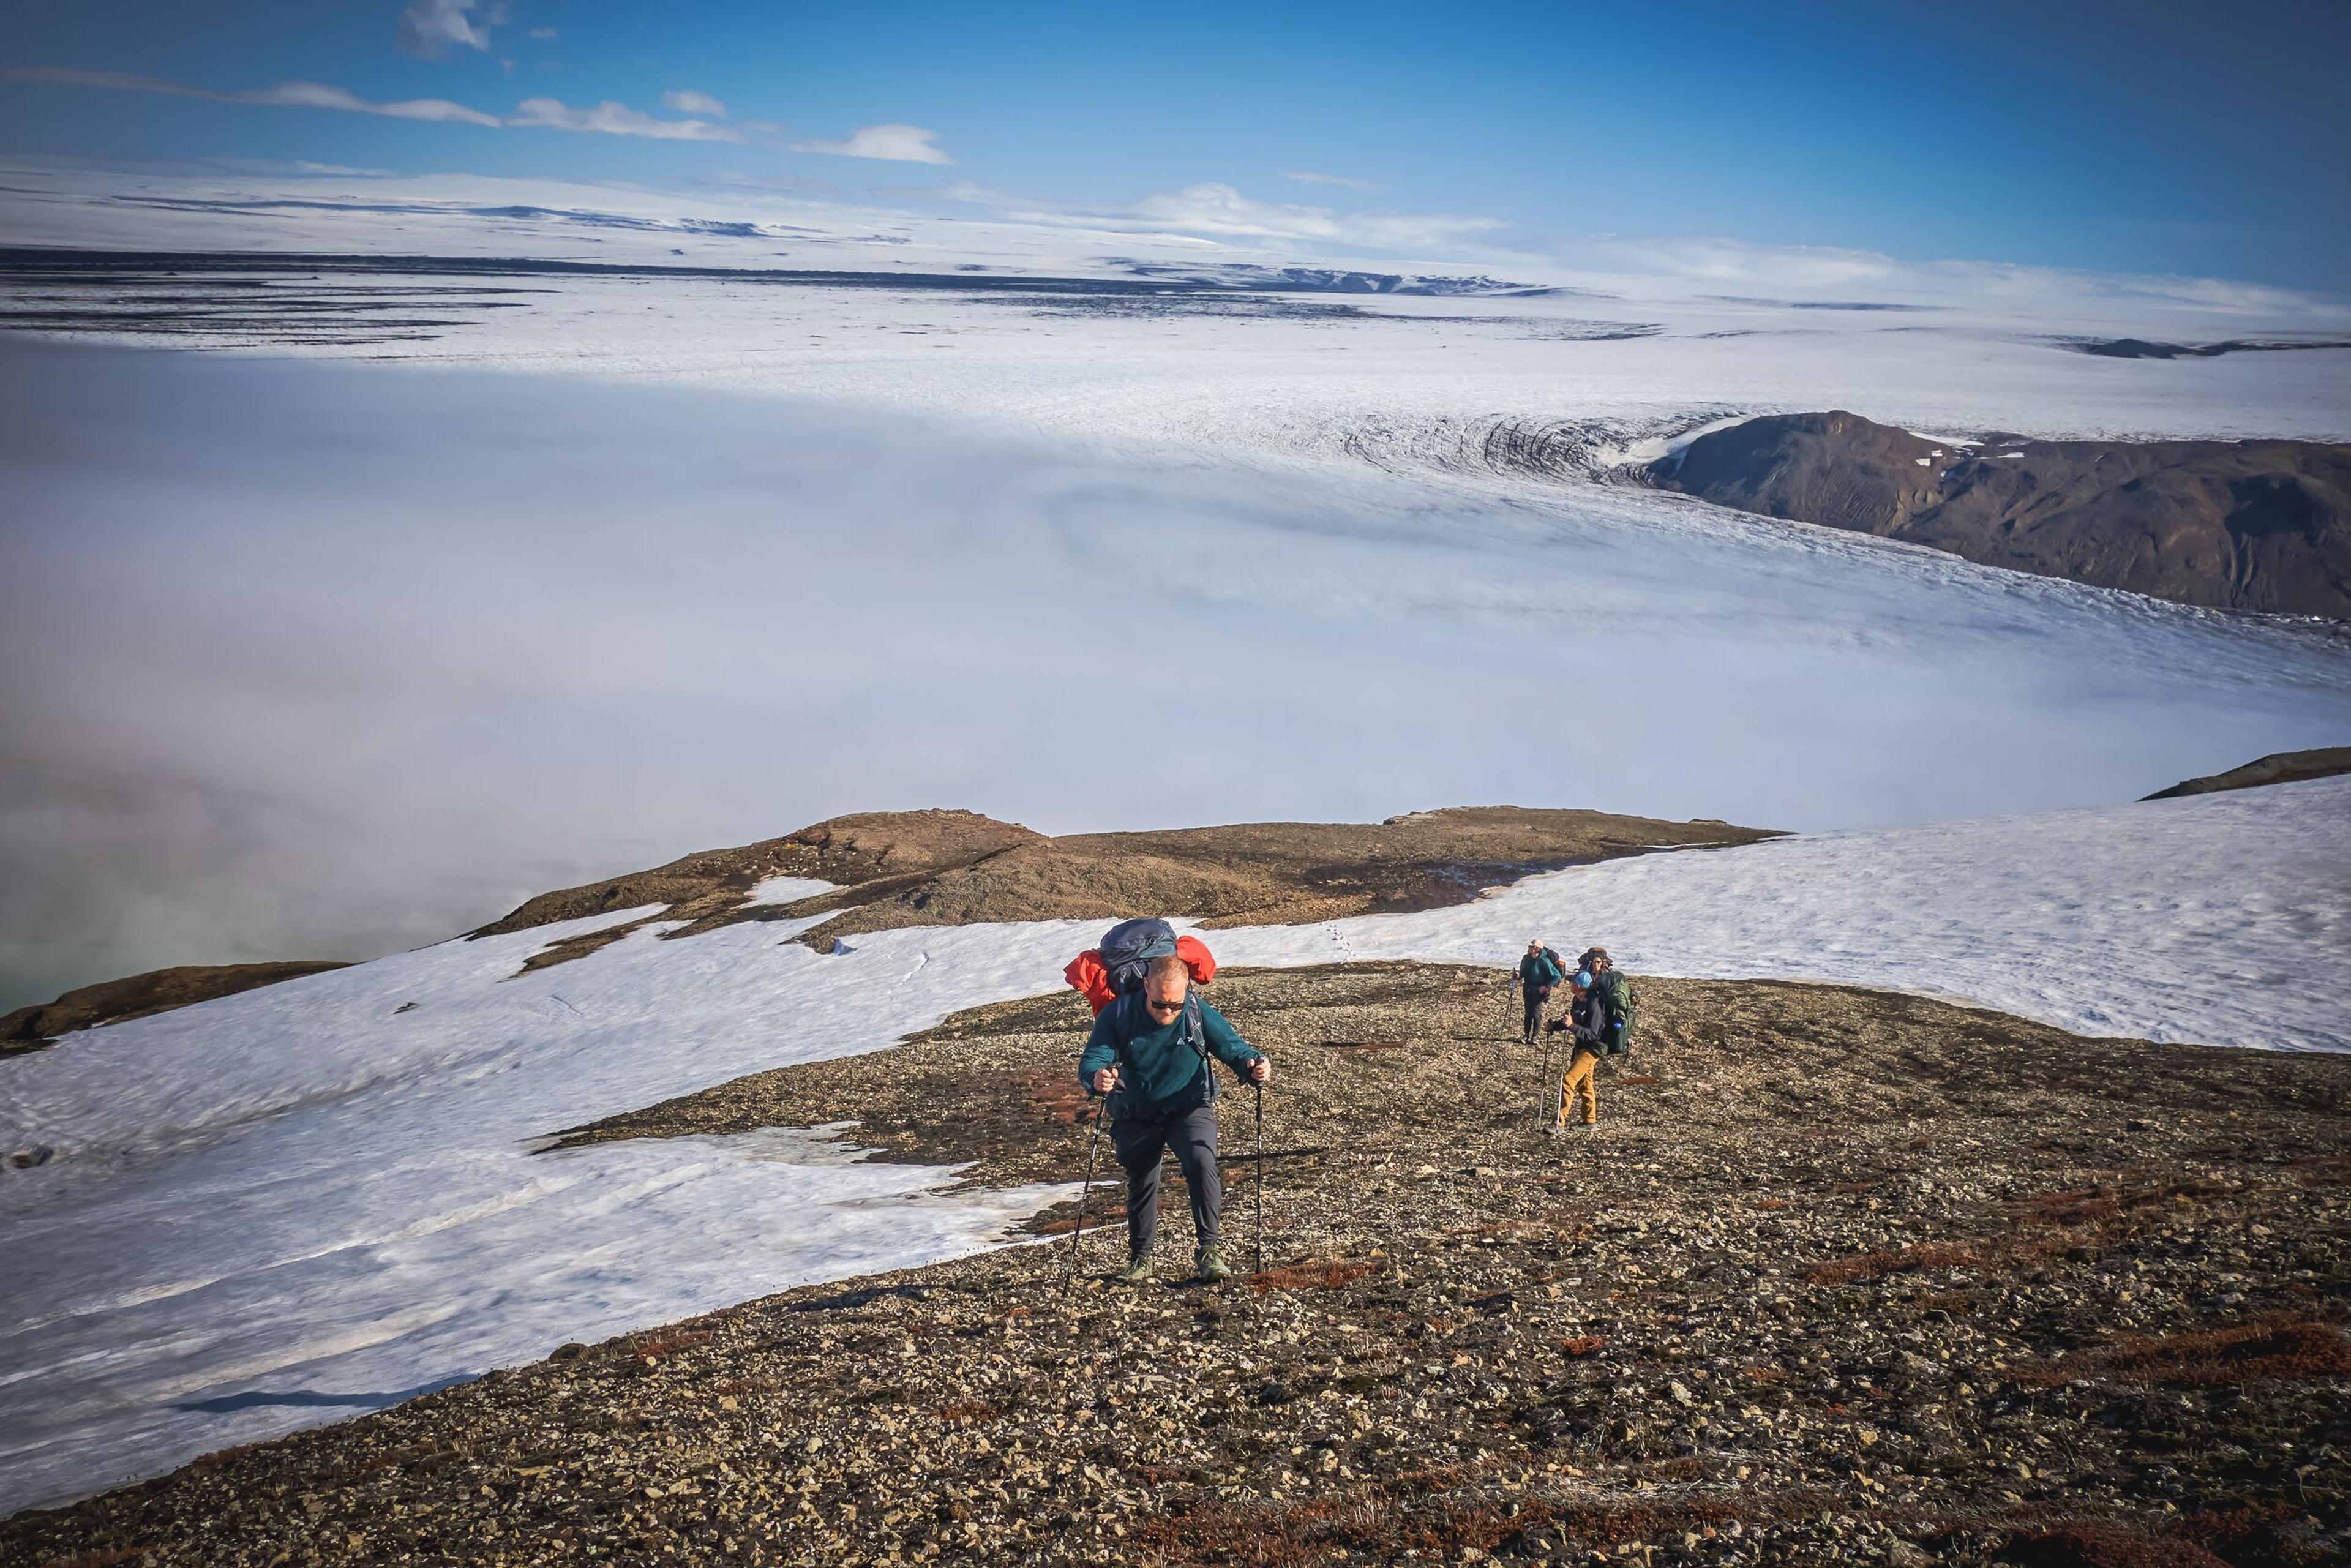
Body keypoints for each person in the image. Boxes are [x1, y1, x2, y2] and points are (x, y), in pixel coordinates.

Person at [1078, 953, 1270, 1284]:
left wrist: (1254, 1064)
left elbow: (1232, 1047)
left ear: (1187, 992)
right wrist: (1096, 1078)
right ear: (1145, 986)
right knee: (1142, 1178)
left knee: (1201, 1160)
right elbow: (1093, 1057)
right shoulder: (1118, 1015)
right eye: (1160, 1004)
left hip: (1189, 1104)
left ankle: (1210, 1252)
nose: (1168, 1012)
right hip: (1137, 1112)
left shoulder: (1196, 1010)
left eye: (1175, 1006)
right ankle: (1140, 1259)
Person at [1549, 970, 1607, 1132]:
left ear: (1580, 986)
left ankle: (1559, 1123)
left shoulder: (1594, 1005)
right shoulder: (1578, 1000)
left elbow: (1593, 1034)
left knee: (1569, 1079)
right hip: (1582, 1047)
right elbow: (1571, 1021)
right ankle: (1590, 1121)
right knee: (1585, 1084)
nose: (1570, 984)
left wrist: (1572, 1026)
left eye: (1573, 982)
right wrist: (1555, 1026)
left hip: (1594, 1049)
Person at [1517, 939, 1565, 1046]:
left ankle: (1535, 1036)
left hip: (1539, 990)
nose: (1529, 948)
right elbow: (1523, 972)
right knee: (1528, 1013)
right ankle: (1526, 1035)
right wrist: (1518, 977)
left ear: (1537, 949)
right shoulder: (1526, 958)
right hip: (1528, 988)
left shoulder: (1544, 961)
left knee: (1536, 1013)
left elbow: (1556, 976)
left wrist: (1546, 987)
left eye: (1531, 946)